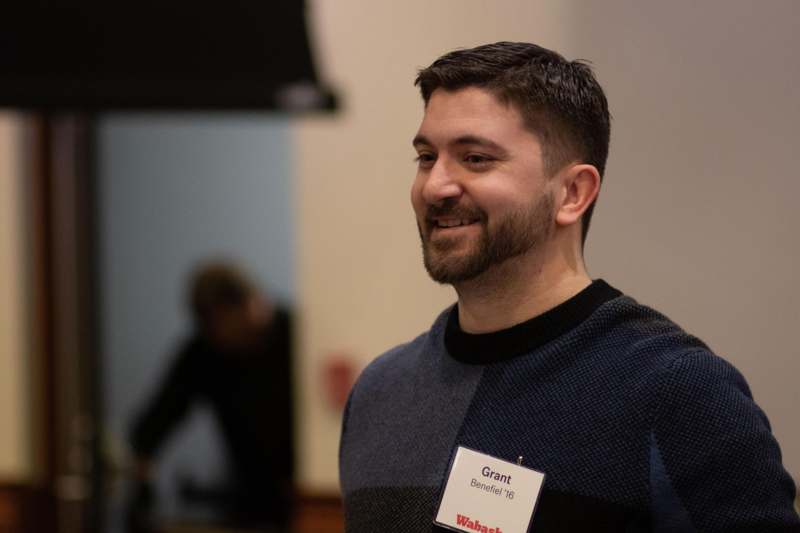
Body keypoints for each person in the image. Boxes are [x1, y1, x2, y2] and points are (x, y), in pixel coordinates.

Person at [338, 42, 800, 532]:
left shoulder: (678, 392)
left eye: (474, 158)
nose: (435, 186)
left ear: (572, 193)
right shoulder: (380, 393)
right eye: (427, 157)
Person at [127, 262, 294, 531]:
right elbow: (156, 419)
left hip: (303, 491)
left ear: (251, 302)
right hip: (249, 498)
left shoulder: (299, 334)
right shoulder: (204, 353)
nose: (224, 339)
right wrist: (142, 464)